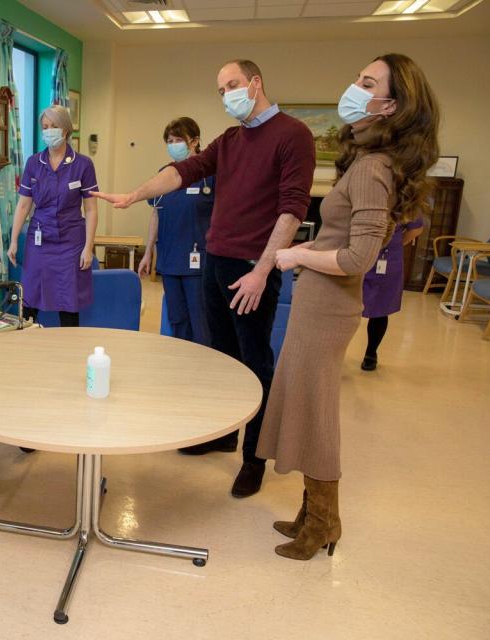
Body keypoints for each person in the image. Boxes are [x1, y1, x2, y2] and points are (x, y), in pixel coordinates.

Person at [92, 60, 315, 497]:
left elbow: (292, 210)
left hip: (254, 267)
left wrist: (263, 270)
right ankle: (223, 433)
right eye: (220, 90)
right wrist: (134, 195)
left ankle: (254, 458)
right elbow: (183, 172)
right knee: (222, 359)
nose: (227, 94)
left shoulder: (293, 135)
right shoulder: (230, 139)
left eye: (232, 85)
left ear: (255, 82)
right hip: (216, 260)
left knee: (255, 361)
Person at [258, 53, 440, 560]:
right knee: (303, 402)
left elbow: (359, 256)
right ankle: (309, 512)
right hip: (320, 300)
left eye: (366, 82)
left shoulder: (373, 168)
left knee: (316, 414)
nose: (353, 88)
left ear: (391, 106)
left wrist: (296, 253)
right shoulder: (366, 160)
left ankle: (324, 523)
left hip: (328, 304)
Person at [6, 105, 98, 326]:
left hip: (71, 241)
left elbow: (92, 209)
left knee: (68, 300)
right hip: (40, 239)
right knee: (30, 296)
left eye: (54, 126)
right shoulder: (33, 163)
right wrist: (13, 241)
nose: (49, 131)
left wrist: (88, 246)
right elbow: (23, 205)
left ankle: (69, 351)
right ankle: (25, 347)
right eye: (45, 127)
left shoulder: (83, 164)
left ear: (65, 130)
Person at [137, 117, 214, 345]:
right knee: (177, 319)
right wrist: (148, 251)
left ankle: (203, 370)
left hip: (198, 261)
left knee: (200, 321)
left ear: (195, 141)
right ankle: (181, 365)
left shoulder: (209, 174)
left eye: (178, 139)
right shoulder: (165, 174)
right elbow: (156, 213)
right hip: (170, 259)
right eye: (169, 140)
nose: (173, 145)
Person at [360, 218, 425, 370]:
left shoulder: (404, 196)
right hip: (358, 252)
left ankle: (371, 353)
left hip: (387, 258)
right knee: (346, 306)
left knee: (380, 307)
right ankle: (337, 353)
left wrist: (393, 242)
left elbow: (416, 228)